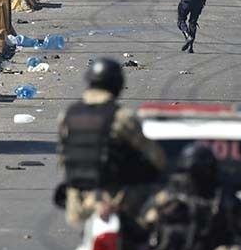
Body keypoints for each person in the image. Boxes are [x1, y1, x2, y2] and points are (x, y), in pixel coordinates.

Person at [54, 57, 166, 225]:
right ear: (118, 85)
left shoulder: (68, 115)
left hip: (77, 203)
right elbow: (156, 158)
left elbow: (63, 158)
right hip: (116, 200)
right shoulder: (121, 118)